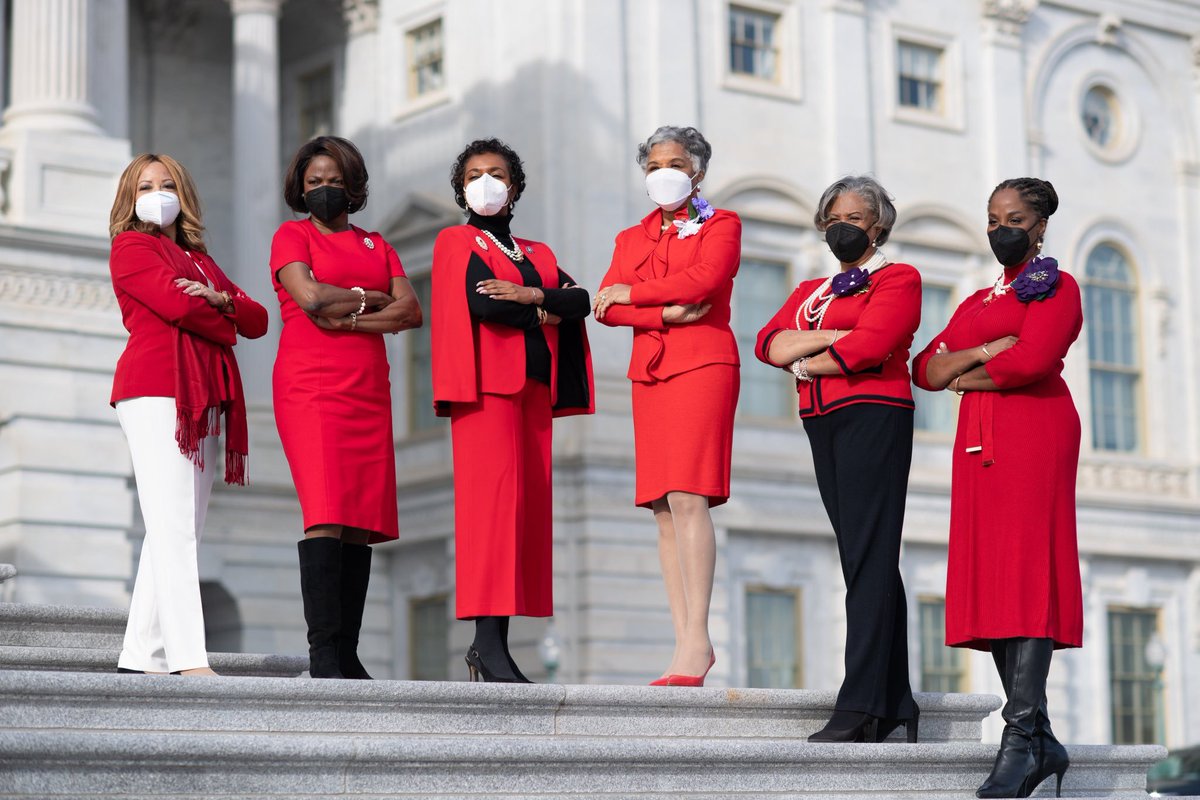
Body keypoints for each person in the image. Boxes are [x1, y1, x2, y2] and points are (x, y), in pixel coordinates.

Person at [912, 178, 1081, 798]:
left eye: (1012, 219)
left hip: (1035, 434)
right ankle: (1037, 737)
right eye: (990, 219)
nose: (999, 229)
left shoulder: (1059, 287)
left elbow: (1033, 360)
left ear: (1038, 226)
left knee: (1027, 571)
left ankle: (1020, 738)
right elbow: (924, 369)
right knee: (991, 579)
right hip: (978, 446)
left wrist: (965, 371)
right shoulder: (979, 300)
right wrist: (979, 355)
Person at [754, 176, 921, 741]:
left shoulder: (897, 277)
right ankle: (895, 698)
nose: (840, 227)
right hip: (821, 421)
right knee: (863, 555)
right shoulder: (811, 288)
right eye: (830, 219)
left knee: (868, 556)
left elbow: (872, 346)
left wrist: (804, 356)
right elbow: (764, 343)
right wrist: (832, 339)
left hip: (874, 414)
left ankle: (862, 704)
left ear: (877, 224)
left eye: (852, 216)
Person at [431, 137, 594, 682]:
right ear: (461, 188)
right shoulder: (457, 240)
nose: (485, 182)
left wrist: (529, 298)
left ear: (514, 186)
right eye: (474, 174)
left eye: (496, 173)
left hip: (532, 391)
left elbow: (582, 301)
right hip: (486, 392)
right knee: (489, 515)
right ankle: (485, 646)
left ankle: (495, 646)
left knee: (523, 517)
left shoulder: (537, 254)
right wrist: (548, 311)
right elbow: (480, 304)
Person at [108, 153, 268, 675]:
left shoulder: (200, 259)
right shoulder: (131, 247)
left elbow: (259, 320)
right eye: (146, 186)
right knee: (174, 525)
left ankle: (140, 655)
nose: (157, 193)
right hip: (156, 389)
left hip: (199, 397)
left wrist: (217, 298)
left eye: (167, 183)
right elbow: (181, 310)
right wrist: (223, 315)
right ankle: (187, 658)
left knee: (176, 527)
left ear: (184, 194)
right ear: (131, 199)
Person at [270, 136, 422, 679]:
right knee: (327, 513)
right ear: (300, 189)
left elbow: (411, 312)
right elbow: (308, 300)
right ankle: (324, 654)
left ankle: (349, 652)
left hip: (367, 387)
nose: (324, 190)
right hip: (311, 386)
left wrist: (349, 313)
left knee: (359, 522)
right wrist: (370, 297)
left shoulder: (378, 244)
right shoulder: (292, 234)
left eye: (333, 181)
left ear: (352, 185)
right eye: (314, 183)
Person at [593, 125, 739, 688]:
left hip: (702, 364)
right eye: (653, 164)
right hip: (650, 370)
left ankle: (698, 640)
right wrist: (660, 311)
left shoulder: (721, 223)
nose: (663, 172)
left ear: (697, 170)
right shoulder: (630, 237)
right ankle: (683, 643)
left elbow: (705, 280)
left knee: (688, 495)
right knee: (660, 507)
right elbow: (605, 304)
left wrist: (635, 294)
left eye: (674, 162)